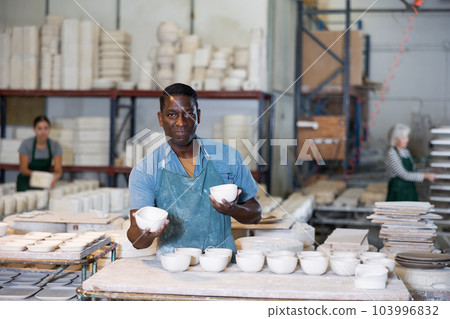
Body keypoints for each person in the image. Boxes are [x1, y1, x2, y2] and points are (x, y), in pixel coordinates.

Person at [127, 83, 261, 257]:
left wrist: (232, 210)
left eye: (189, 114)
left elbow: (255, 214)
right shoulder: (145, 169)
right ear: (161, 119)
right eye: (171, 115)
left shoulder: (228, 157)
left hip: (221, 260)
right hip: (173, 263)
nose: (181, 122)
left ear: (198, 116)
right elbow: (136, 240)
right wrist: (147, 234)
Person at [385, 123, 435, 201]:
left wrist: (432, 170)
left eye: (407, 137)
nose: (407, 140)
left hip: (410, 191)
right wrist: (425, 176)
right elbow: (404, 175)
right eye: (403, 138)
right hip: (398, 193)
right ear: (395, 139)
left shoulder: (405, 151)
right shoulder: (392, 154)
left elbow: (414, 170)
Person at [16, 115, 63, 191]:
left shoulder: (55, 146)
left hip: (44, 183)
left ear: (50, 129)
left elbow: (58, 169)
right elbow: (24, 169)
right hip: (27, 183)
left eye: (46, 128)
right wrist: (37, 176)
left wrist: (56, 176)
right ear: (34, 129)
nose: (43, 132)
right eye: (39, 129)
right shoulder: (26, 144)